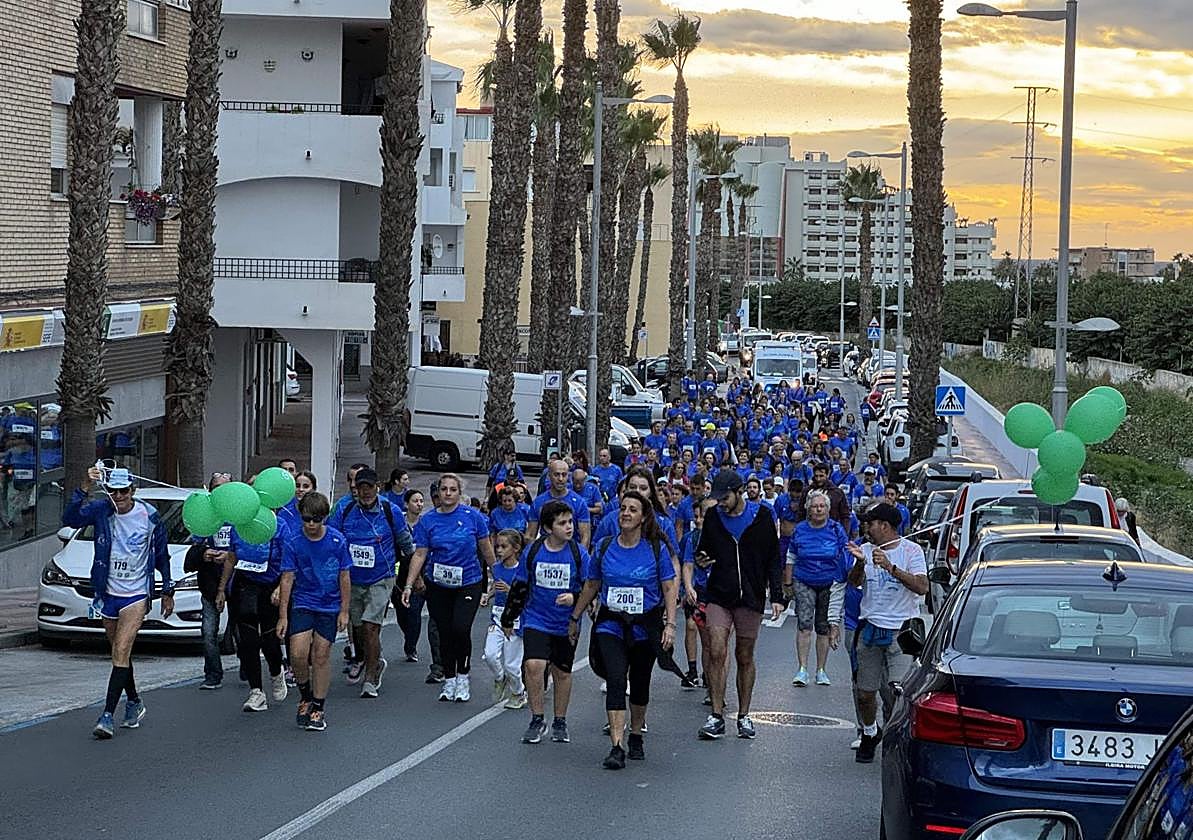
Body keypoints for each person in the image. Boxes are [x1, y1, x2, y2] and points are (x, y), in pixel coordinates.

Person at [570, 491, 679, 769]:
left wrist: (670, 624)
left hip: (645, 626)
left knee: (640, 681)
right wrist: (575, 617)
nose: (626, 513)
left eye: (633, 510)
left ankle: (635, 734)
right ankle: (616, 746)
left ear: (643, 517)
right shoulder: (606, 546)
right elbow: (592, 584)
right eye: (623, 509)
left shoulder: (655, 549)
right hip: (611, 624)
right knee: (617, 678)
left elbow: (668, 587)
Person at [65, 465, 173, 739]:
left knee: (122, 649)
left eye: (123, 491)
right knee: (119, 655)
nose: (118, 496)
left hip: (136, 595)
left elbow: (162, 554)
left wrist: (167, 589)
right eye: (113, 491)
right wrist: (84, 487)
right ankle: (134, 701)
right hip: (107, 592)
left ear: (132, 491)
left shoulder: (149, 515)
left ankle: (107, 715)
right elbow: (71, 519)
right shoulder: (102, 510)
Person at [695, 471, 787, 741]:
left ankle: (744, 715)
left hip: (751, 596)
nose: (720, 503)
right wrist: (702, 560)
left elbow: (773, 558)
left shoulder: (763, 517)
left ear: (739, 492)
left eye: (724, 498)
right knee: (716, 649)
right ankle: (716, 714)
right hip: (719, 594)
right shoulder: (713, 517)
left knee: (744, 656)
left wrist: (778, 596)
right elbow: (704, 550)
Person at [846, 502, 928, 763]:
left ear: (885, 526)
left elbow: (922, 587)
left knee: (898, 690)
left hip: (900, 630)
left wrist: (891, 567)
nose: (867, 528)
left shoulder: (911, 550)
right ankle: (870, 731)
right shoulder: (866, 549)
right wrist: (860, 563)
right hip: (871, 627)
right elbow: (854, 582)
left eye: (871, 523)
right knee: (865, 691)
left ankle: (898, 737)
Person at [402, 473, 495, 702]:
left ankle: (463, 677)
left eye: (453, 490)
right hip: (439, 584)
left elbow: (486, 549)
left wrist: (501, 576)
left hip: (468, 582)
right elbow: (420, 553)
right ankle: (449, 679)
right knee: (443, 632)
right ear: (438, 493)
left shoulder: (473, 517)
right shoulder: (428, 520)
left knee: (460, 629)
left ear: (459, 493)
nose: (448, 494)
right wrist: (408, 584)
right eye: (444, 489)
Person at [502, 502, 588, 745]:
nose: (569, 527)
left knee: (561, 672)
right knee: (533, 665)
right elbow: (520, 585)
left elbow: (591, 586)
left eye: (570, 522)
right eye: (562, 523)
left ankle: (560, 721)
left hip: (566, 623)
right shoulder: (533, 551)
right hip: (536, 619)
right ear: (549, 527)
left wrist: (574, 597)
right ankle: (537, 718)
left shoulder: (578, 553)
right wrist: (509, 617)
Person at [328, 468, 413, 699]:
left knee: (370, 625)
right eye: (360, 487)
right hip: (353, 579)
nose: (364, 492)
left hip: (381, 578)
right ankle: (372, 660)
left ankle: (371, 677)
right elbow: (331, 539)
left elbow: (405, 542)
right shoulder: (344, 508)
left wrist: (416, 576)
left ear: (377, 487)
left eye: (369, 487)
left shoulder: (389, 510)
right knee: (357, 628)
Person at [277, 492, 352, 732]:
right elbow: (287, 578)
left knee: (321, 655)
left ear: (324, 519)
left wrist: (344, 610)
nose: (311, 524)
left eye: (316, 520)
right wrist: (283, 615)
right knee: (298, 653)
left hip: (329, 605)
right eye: (306, 519)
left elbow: (344, 576)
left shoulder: (337, 541)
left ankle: (318, 706)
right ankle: (305, 695)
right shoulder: (294, 541)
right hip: (303, 602)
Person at [216, 500, 291, 712]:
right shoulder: (239, 527)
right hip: (245, 585)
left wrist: (279, 588)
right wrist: (222, 589)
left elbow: (288, 563)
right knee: (248, 642)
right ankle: (256, 692)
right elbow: (231, 557)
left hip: (270, 586)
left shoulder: (281, 527)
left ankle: (276, 672)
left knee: (269, 641)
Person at [785, 491, 849, 688]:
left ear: (828, 509)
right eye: (815, 506)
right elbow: (791, 556)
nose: (819, 509)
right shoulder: (800, 529)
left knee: (823, 626)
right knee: (804, 624)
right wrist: (787, 583)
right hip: (804, 579)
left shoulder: (836, 529)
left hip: (829, 582)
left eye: (822, 506)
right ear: (808, 510)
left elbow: (845, 555)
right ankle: (802, 668)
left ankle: (821, 670)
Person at [185, 471, 233, 691]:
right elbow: (194, 547)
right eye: (217, 489)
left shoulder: (239, 514)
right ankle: (213, 674)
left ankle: (248, 669)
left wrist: (232, 555)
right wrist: (204, 553)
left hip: (237, 582)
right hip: (210, 585)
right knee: (209, 633)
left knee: (243, 633)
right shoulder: (204, 515)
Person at [483, 529, 527, 709]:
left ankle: (518, 692)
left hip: (516, 621)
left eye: (503, 546)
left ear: (516, 548)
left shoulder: (523, 570)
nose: (499, 550)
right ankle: (500, 678)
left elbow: (528, 595)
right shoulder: (496, 568)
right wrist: (488, 594)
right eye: (497, 547)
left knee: (512, 665)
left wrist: (511, 591)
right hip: (497, 619)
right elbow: (495, 585)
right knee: (490, 654)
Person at [681, 497, 717, 703]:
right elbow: (687, 565)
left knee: (719, 644)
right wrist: (688, 587)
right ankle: (710, 686)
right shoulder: (692, 539)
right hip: (702, 593)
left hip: (723, 594)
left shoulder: (729, 535)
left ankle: (717, 686)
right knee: (708, 643)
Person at [528, 459, 592, 548]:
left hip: (570, 555)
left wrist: (579, 559)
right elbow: (530, 535)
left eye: (564, 475)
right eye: (556, 474)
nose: (560, 479)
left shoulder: (579, 503)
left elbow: (585, 537)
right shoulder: (538, 502)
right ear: (549, 476)